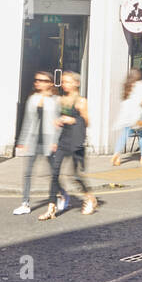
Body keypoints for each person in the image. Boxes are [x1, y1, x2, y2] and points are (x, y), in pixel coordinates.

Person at [41, 71, 97, 218]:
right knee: (54, 173)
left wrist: (72, 120)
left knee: (75, 176)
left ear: (76, 83)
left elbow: (86, 122)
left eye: (68, 82)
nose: (65, 85)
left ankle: (89, 198)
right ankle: (51, 208)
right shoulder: (61, 100)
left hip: (76, 142)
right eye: (64, 82)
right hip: (63, 140)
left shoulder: (81, 101)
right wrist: (57, 126)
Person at [14, 72, 59, 215]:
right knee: (27, 173)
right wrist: (22, 141)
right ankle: (25, 203)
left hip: (49, 141)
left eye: (42, 80)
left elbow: (59, 124)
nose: (38, 82)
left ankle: (60, 196)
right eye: (37, 80)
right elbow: (27, 121)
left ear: (50, 83)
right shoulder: (32, 99)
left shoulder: (56, 100)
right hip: (33, 140)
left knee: (53, 173)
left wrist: (56, 142)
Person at [111, 69, 142, 167]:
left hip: (128, 115)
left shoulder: (127, 85)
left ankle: (116, 154)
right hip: (139, 114)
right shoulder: (141, 84)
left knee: (124, 134)